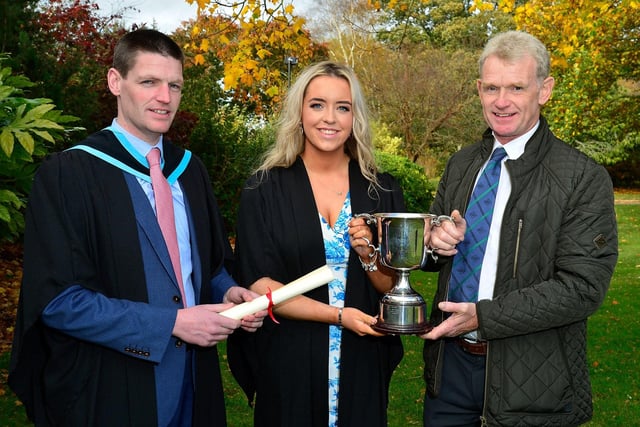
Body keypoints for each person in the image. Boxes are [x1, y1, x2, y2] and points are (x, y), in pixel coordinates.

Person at [8, 28, 266, 426]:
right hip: (110, 387)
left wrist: (229, 292)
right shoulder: (69, 175)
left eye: (174, 85)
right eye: (149, 82)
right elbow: (57, 302)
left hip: (193, 386)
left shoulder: (189, 171)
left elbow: (209, 267)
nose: (165, 97)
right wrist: (174, 324)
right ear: (116, 82)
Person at [419, 30, 618, 426]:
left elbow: (582, 288)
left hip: (533, 384)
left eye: (516, 87)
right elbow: (431, 253)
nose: (501, 101)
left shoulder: (581, 177)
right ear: (478, 89)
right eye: (491, 87)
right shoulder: (461, 165)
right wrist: (432, 242)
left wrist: (485, 317)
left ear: (544, 90)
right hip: (450, 373)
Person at [227, 61, 405, 427]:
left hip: (362, 355)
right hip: (289, 357)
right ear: (300, 111)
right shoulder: (264, 190)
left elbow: (393, 287)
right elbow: (261, 285)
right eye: (317, 104)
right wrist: (339, 317)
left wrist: (370, 255)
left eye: (343, 107)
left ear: (355, 117)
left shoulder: (381, 191)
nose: (330, 118)